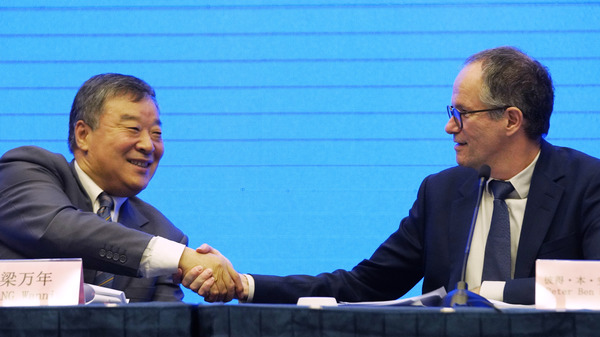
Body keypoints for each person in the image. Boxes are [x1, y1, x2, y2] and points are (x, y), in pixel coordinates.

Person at [184, 46, 600, 305]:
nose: (449, 127)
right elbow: (364, 285)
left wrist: (479, 294)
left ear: (511, 120)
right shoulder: (441, 192)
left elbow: (595, 286)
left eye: (461, 114)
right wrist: (245, 285)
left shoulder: (586, 183)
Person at [0, 73, 242, 302]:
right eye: (133, 129)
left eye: (156, 133)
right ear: (83, 134)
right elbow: (58, 228)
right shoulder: (24, 170)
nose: (148, 145)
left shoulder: (165, 234)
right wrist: (180, 257)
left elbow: (168, 322)